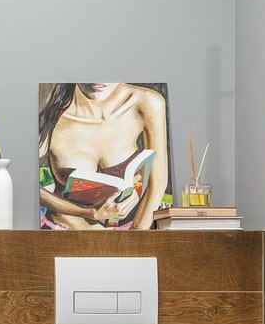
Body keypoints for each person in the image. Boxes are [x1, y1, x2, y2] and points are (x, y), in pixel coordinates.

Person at [39, 82, 169, 230]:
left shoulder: (147, 102)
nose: (97, 79)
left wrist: (136, 238)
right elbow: (30, 187)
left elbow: (157, 184)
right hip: (64, 232)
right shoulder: (53, 114)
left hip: (129, 232)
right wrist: (89, 212)